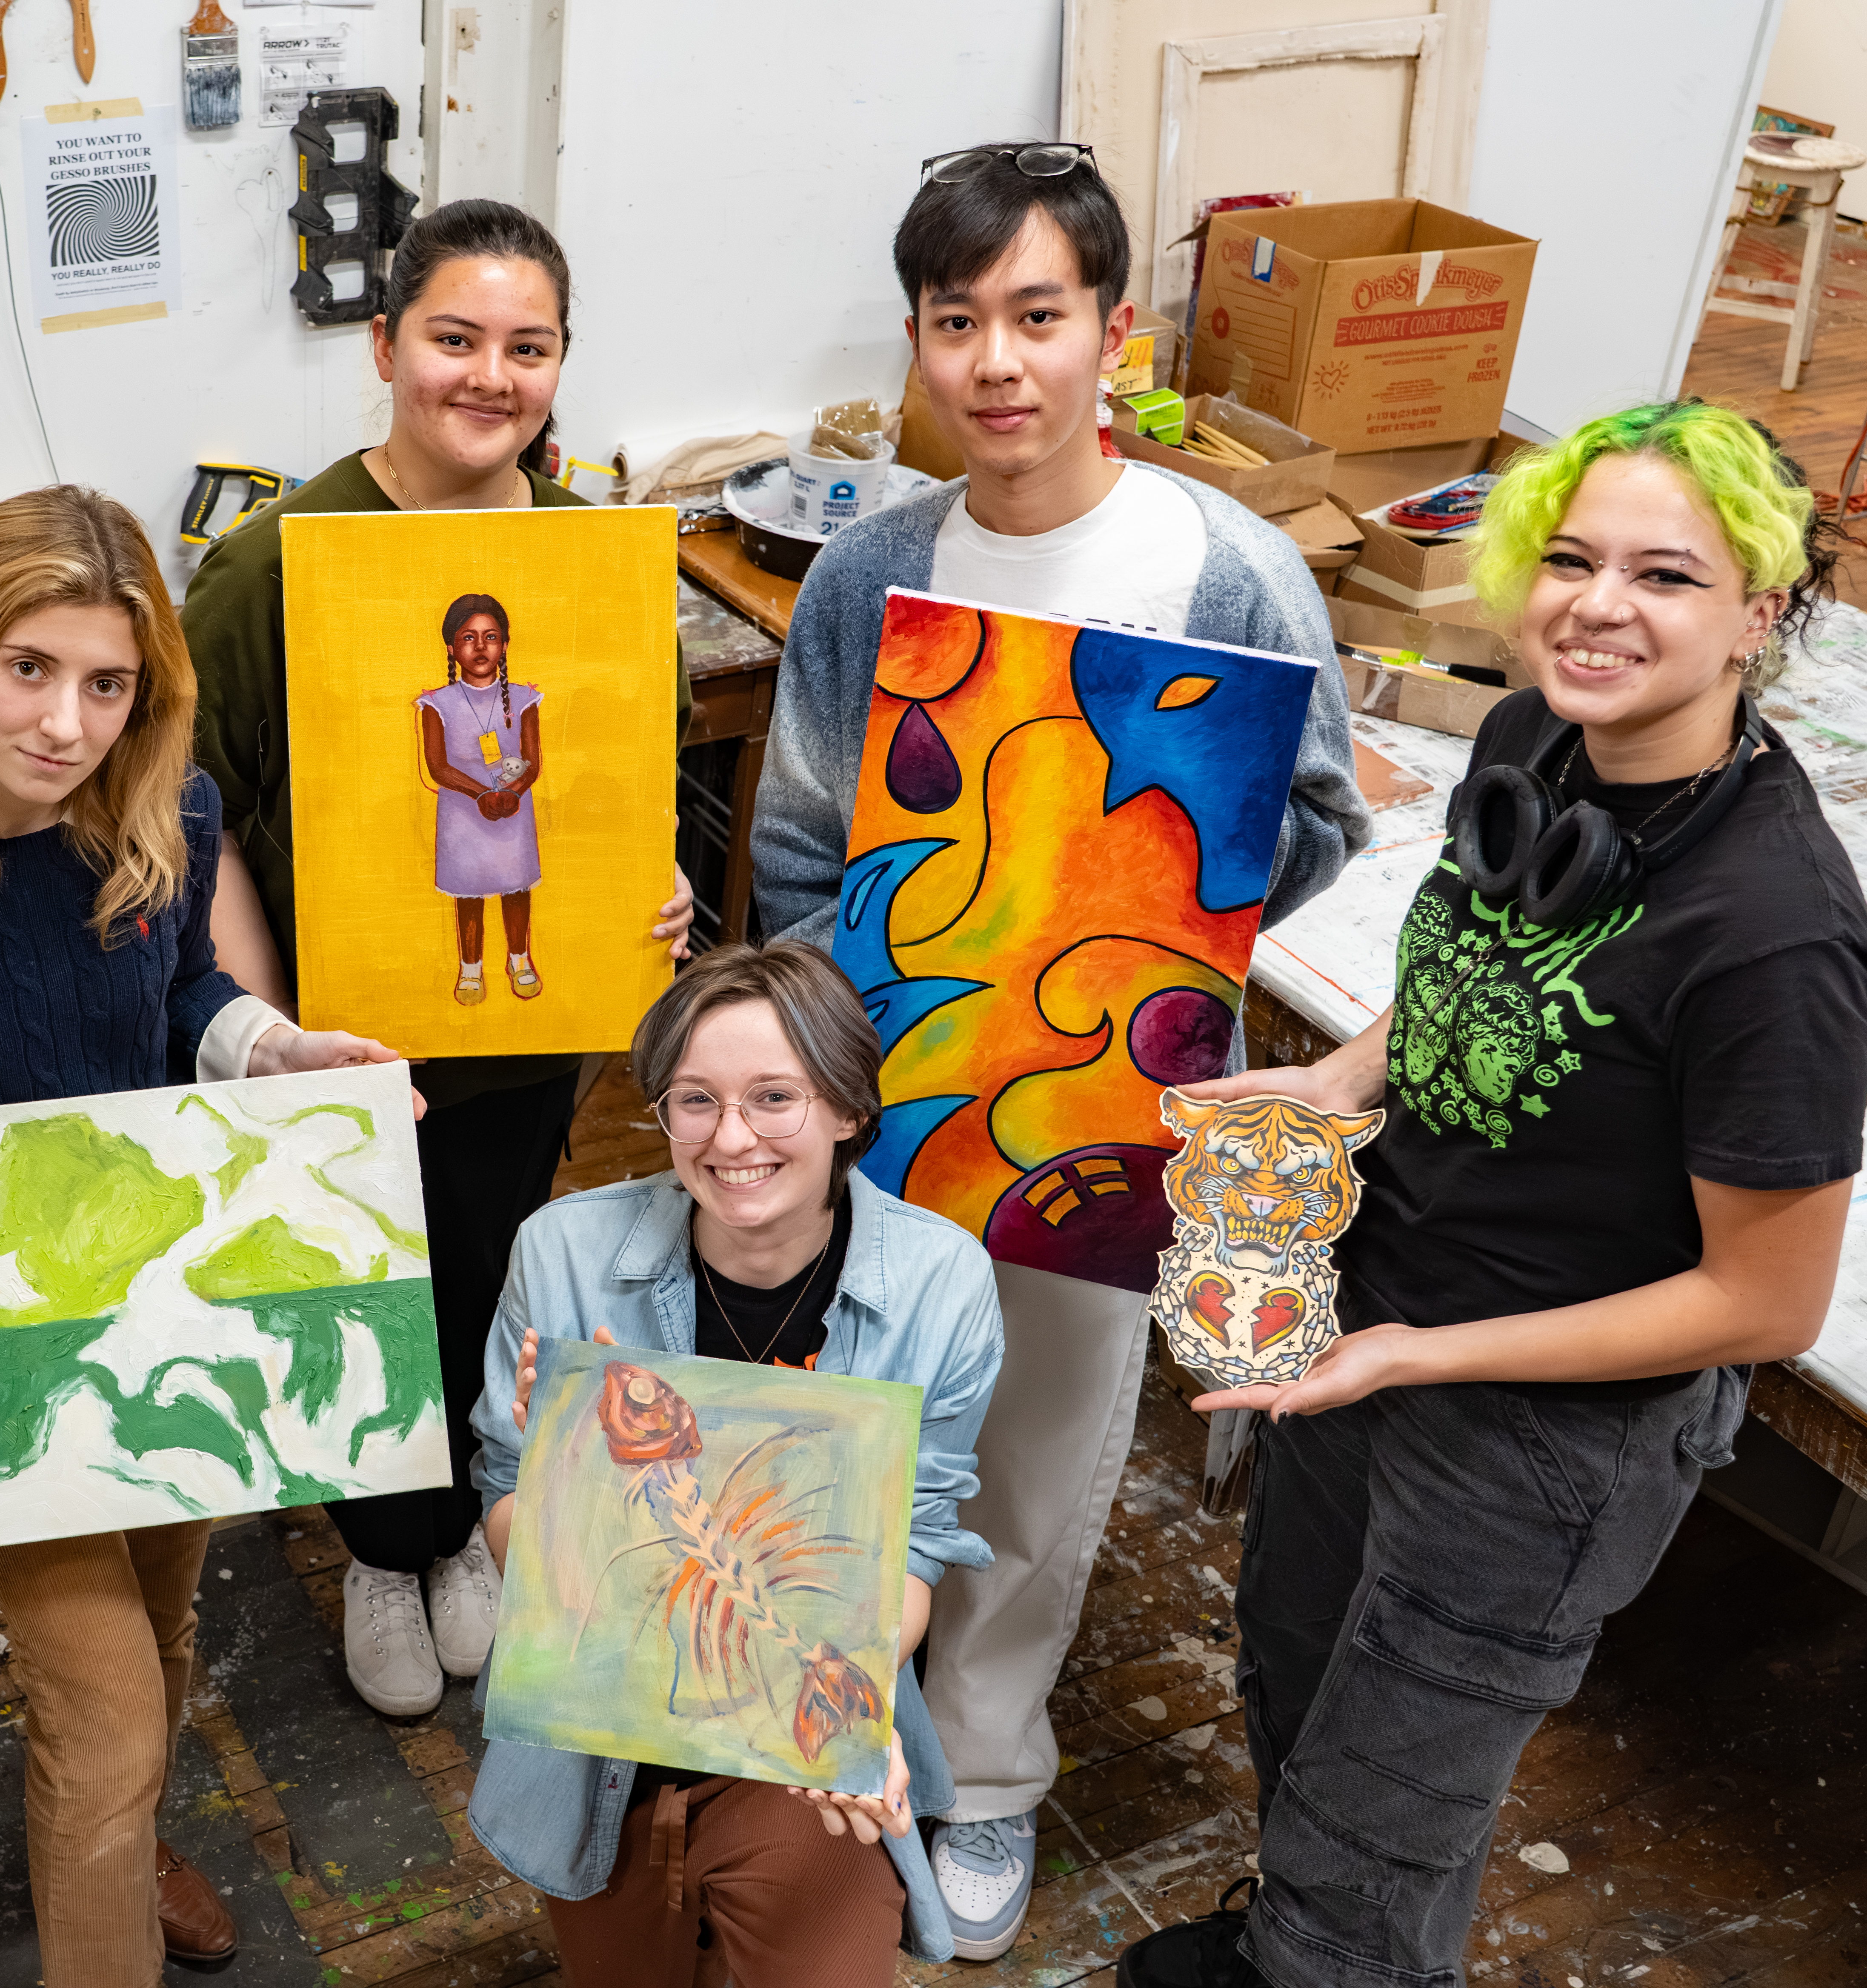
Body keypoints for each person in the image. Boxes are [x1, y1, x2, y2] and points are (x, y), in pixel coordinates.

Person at [1121, 400, 1867, 1987]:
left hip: (1544, 1441)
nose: (1597, 603)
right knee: (1302, 1687)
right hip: (1378, 1318)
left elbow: (1766, 1300)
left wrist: (1418, 1354)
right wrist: (1346, 1080)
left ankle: (1330, 1953)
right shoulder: (1536, 735)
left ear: (1762, 604)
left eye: (1665, 574)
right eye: (1571, 555)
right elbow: (1476, 952)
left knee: (1390, 1801)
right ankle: (1305, 1938)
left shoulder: (1776, 938)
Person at [745, 142, 1371, 1957]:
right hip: (890, 1079)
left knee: (1039, 1439)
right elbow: (796, 842)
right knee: (863, 1411)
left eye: (1037, 316)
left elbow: (1317, 824)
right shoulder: (870, 575)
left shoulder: (1231, 569)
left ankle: (994, 1770)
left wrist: (1160, 872)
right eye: (958, 323)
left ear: (1117, 330)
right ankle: (834, 1718)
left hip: (1113, 1095)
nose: (996, 364)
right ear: (921, 342)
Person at [0, 483, 411, 1986]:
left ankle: (113, 1823)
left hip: (156, 1316)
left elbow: (176, 1000)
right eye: (30, 670)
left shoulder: (164, 808)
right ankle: (106, 1835)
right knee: (114, 1707)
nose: (66, 722)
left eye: (107, 683)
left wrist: (271, 1049)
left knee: (155, 1639)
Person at [185, 196, 697, 1717]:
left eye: (526, 347)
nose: (491, 375)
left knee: (488, 1265)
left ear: (559, 364)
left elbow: (617, 781)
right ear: (385, 343)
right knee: (361, 1287)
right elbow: (197, 812)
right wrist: (265, 1020)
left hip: (525, 1023)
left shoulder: (594, 562)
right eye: (456, 338)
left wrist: (653, 879)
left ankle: (467, 1519)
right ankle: (380, 1546)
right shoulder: (276, 559)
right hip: (342, 1034)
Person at [462, 940, 1004, 1984]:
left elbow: (920, 1543)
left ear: (849, 1108)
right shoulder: (561, 1253)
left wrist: (845, 1709)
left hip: (803, 1731)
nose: (732, 1136)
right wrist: (576, 1489)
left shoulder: (944, 1282)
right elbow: (504, 1499)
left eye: (774, 1097)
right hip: (594, 1736)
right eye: (695, 1099)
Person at [417, 591, 545, 1003]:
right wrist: (481, 795)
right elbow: (437, 766)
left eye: (490, 637)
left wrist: (511, 793)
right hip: (462, 811)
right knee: (468, 893)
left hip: (511, 808)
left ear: (504, 645)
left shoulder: (525, 699)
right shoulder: (436, 704)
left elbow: (532, 760)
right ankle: (471, 969)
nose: (480, 646)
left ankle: (519, 959)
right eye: (468, 637)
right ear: (452, 646)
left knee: (516, 887)